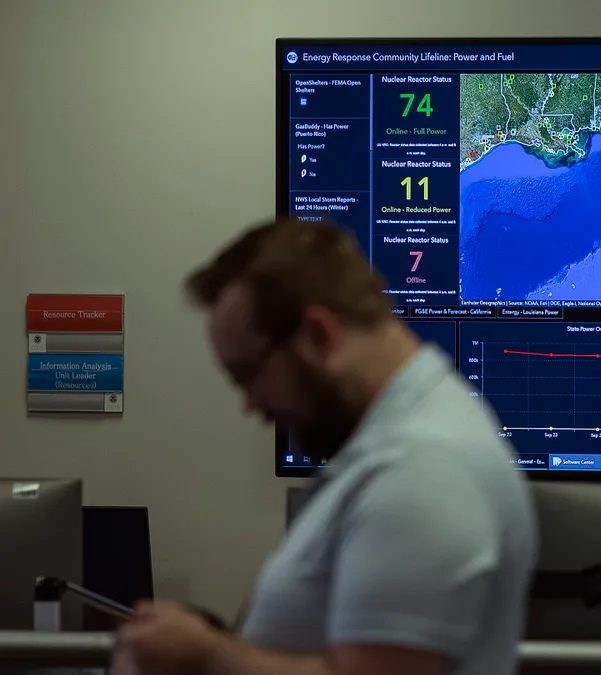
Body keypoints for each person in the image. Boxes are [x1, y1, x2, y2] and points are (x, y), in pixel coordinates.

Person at [113, 218, 537, 675]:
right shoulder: (390, 446)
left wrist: (204, 655)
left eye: (248, 376)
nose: (250, 406)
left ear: (318, 336)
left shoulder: (424, 468)